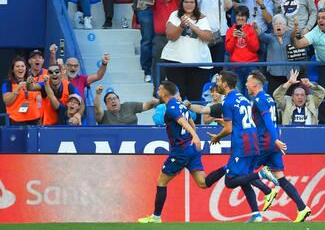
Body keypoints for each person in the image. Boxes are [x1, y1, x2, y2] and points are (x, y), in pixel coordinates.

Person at [138, 81, 226, 223]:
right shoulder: (181, 105)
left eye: (160, 89)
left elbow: (183, 123)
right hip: (192, 149)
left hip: (180, 151)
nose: (158, 91)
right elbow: (191, 122)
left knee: (161, 182)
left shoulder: (171, 107)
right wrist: (193, 136)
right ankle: (227, 168)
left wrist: (195, 136)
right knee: (203, 183)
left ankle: (156, 217)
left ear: (165, 93)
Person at [207, 71, 279, 222]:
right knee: (243, 178)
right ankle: (256, 214)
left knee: (230, 181)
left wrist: (217, 137)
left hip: (242, 144)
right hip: (253, 141)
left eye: (219, 81)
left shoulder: (227, 101)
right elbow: (241, 121)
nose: (217, 83)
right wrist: (226, 123)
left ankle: (262, 175)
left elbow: (229, 129)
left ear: (225, 84)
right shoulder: (243, 98)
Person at [246, 70, 311, 222]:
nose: (246, 84)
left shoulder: (259, 100)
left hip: (266, 142)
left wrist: (274, 139)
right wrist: (276, 139)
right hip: (273, 142)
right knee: (281, 178)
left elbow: (268, 121)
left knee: (241, 173)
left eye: (248, 82)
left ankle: (267, 189)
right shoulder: (268, 98)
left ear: (255, 84)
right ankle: (302, 207)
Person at [161, 0, 213, 107]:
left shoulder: (202, 18)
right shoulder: (175, 15)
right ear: (182, 3)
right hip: (175, 60)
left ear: (196, 4)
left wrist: (193, 26)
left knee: (195, 97)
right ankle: (177, 123)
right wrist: (181, 26)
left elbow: (208, 37)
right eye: (186, 2)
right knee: (176, 96)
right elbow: (170, 36)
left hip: (198, 63)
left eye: (192, 2)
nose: (189, 4)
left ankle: (195, 124)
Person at [254, 14, 300, 96]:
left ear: (285, 26)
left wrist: (296, 26)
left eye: (281, 23)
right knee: (274, 97)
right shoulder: (271, 38)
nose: (278, 25)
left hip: (290, 75)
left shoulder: (289, 35)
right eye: (276, 23)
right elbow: (261, 35)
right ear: (273, 27)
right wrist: (256, 28)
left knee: (290, 99)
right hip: (274, 75)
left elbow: (294, 34)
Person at [193, 0, 233, 75]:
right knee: (203, 66)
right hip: (203, 34)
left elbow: (229, 6)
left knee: (217, 67)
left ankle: (217, 86)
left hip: (220, 35)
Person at [151, 0, 183, 96]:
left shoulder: (177, 1)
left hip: (176, 37)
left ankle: (176, 93)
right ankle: (158, 92)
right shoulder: (155, 2)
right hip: (160, 37)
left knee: (176, 64)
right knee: (158, 64)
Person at [225, 5, 259, 95]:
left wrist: (245, 37)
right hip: (236, 67)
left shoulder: (251, 29)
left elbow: (255, 48)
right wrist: (234, 37)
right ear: (235, 17)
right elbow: (228, 49)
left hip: (251, 66)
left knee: (252, 96)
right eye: (238, 16)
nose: (240, 18)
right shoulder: (230, 30)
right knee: (238, 95)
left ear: (247, 17)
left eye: (243, 16)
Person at [2, 57, 41, 125]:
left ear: (26, 69)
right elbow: (7, 102)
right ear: (13, 69)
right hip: (16, 121)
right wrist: (18, 88)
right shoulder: (7, 83)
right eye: (17, 66)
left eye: (22, 66)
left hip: (34, 120)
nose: (20, 68)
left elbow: (39, 101)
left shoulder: (32, 81)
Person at [94, 85, 159, 125]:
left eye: (115, 98)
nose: (113, 101)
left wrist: (152, 102)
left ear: (119, 101)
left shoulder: (128, 106)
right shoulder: (103, 115)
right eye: (109, 100)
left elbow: (146, 106)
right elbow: (97, 109)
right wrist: (98, 94)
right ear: (106, 105)